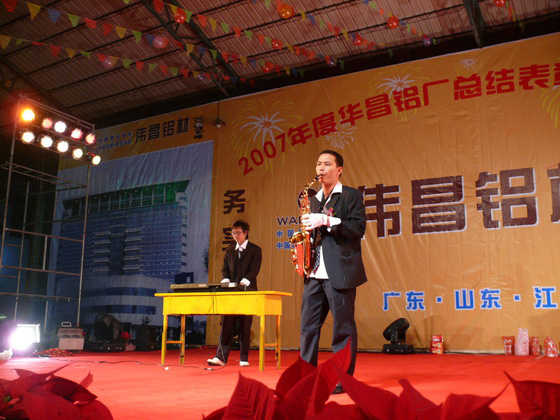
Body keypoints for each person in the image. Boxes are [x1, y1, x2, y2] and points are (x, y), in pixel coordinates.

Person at [300, 150, 368, 394]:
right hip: (314, 272)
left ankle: (343, 379)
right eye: (319, 164)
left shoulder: (350, 195)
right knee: (308, 328)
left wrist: (328, 221)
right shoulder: (313, 199)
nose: (321, 168)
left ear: (339, 170)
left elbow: (358, 229)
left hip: (340, 271)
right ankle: (305, 377)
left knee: (343, 328)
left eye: (327, 164)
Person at [207, 220, 262, 367]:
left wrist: (245, 281)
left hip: (247, 291)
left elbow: (254, 269)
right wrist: (225, 279)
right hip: (231, 292)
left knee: (245, 324)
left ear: (246, 232)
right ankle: (220, 357)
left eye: (238, 233)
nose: (236, 236)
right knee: (227, 323)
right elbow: (225, 269)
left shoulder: (255, 250)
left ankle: (244, 358)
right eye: (233, 233)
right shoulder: (230, 250)